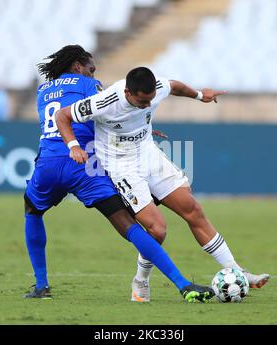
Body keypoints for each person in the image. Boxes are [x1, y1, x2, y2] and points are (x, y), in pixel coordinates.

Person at [55, 66, 270, 302]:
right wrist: (73, 146)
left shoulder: (156, 88)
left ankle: (238, 271)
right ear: (128, 92)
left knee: (193, 210)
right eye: (142, 101)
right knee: (157, 229)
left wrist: (200, 96)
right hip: (121, 165)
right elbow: (62, 116)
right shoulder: (105, 102)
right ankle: (140, 281)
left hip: (148, 154)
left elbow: (175, 85)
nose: (148, 105)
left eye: (150, 100)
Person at [24, 45, 214, 303]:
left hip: (48, 163)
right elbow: (108, 115)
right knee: (129, 225)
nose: (93, 73)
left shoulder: (42, 90)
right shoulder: (90, 86)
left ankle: (41, 285)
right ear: (78, 66)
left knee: (33, 211)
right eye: (91, 69)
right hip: (84, 164)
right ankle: (182, 284)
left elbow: (61, 121)